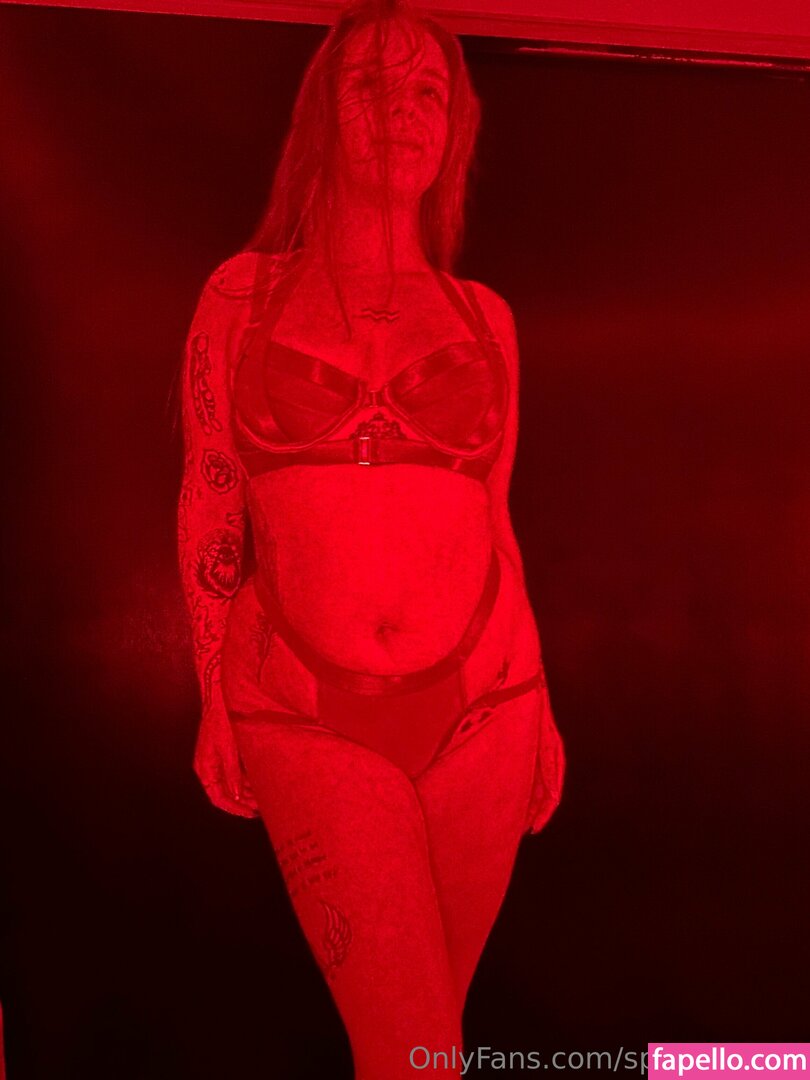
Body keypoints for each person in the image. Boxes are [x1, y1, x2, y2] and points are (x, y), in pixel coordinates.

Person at [177, 0, 565, 1075]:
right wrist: (211, 693)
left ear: (455, 127)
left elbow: (497, 516)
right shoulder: (241, 296)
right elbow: (210, 494)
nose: (402, 110)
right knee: (411, 1049)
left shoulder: (485, 318)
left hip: (491, 703)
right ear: (324, 113)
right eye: (371, 85)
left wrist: (546, 710)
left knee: (430, 1051)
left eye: (428, 91)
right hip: (305, 708)